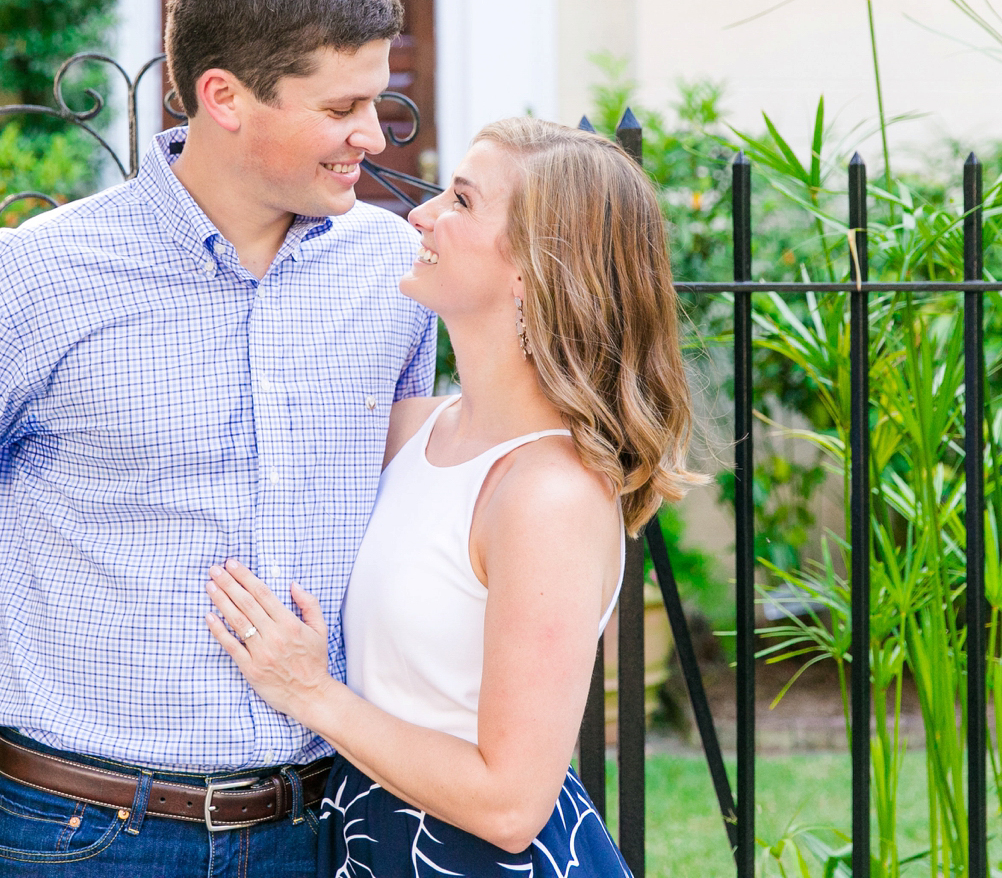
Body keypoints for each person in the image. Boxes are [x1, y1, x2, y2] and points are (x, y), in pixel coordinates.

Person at [0, 0, 438, 877]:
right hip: (85, 834)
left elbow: (410, 515)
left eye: (378, 101)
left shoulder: (395, 270)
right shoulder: (33, 280)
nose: (373, 134)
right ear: (224, 97)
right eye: (342, 106)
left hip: (328, 825)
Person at [203, 117, 703, 875]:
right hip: (371, 839)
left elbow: (510, 803)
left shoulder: (550, 495)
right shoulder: (414, 429)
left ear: (532, 271)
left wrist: (313, 692)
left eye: (462, 202)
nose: (421, 214)